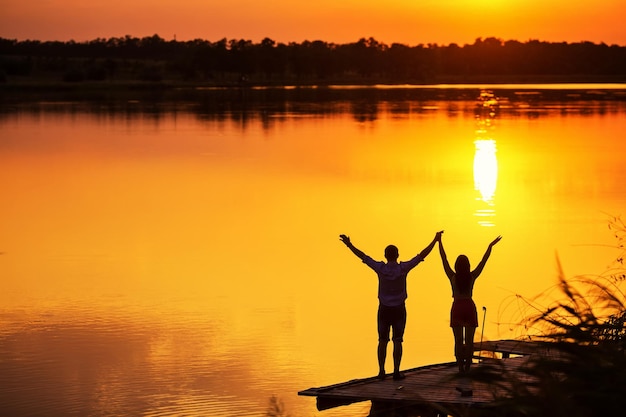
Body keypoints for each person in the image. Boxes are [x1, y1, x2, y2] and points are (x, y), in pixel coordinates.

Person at [339, 231, 443, 380]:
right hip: (399, 309)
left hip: (384, 309)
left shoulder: (380, 268)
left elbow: (363, 257)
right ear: (398, 255)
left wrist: (349, 245)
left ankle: (381, 371)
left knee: (382, 340)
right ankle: (395, 371)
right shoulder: (403, 269)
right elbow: (421, 256)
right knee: (398, 340)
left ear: (385, 256)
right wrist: (435, 240)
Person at [436, 233, 502, 373]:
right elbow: (483, 261)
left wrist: (439, 241)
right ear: (468, 266)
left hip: (457, 307)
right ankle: (467, 367)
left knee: (458, 340)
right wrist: (490, 246)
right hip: (469, 307)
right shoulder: (472, 276)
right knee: (470, 340)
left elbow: (444, 259)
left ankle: (460, 367)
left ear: (456, 266)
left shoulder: (452, 276)